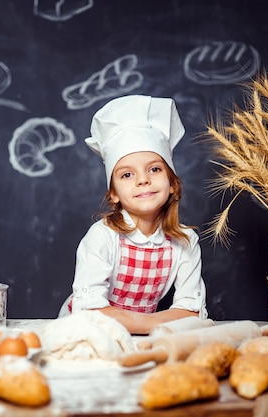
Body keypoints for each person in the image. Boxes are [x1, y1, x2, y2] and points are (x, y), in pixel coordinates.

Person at [60, 95, 208, 334]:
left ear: (172, 183)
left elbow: (192, 313)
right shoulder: (102, 237)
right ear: (114, 193)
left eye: (155, 169)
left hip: (138, 340)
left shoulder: (186, 242)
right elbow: (90, 313)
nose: (143, 179)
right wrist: (158, 323)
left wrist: (135, 324)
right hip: (85, 335)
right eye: (127, 174)